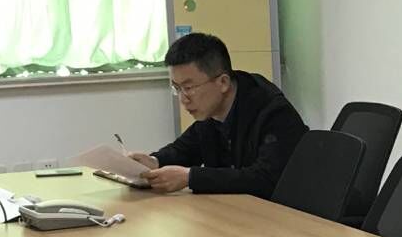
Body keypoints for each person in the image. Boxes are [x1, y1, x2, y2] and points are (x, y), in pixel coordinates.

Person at [129, 32, 308, 196]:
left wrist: (190, 177)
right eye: (177, 88)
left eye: (188, 88)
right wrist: (154, 161)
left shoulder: (273, 112)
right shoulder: (211, 112)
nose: (183, 99)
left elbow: (265, 179)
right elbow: (184, 150)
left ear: (223, 83)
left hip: (281, 213)